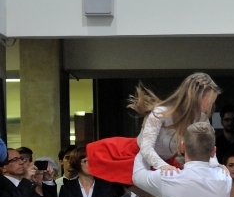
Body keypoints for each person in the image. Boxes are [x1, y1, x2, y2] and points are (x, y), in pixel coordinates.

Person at [87, 72, 221, 185]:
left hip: (166, 163)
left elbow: (207, 147)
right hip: (136, 158)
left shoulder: (202, 118)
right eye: (209, 102)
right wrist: (162, 166)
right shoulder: (160, 113)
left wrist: (216, 166)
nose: (210, 107)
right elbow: (146, 148)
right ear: (196, 98)